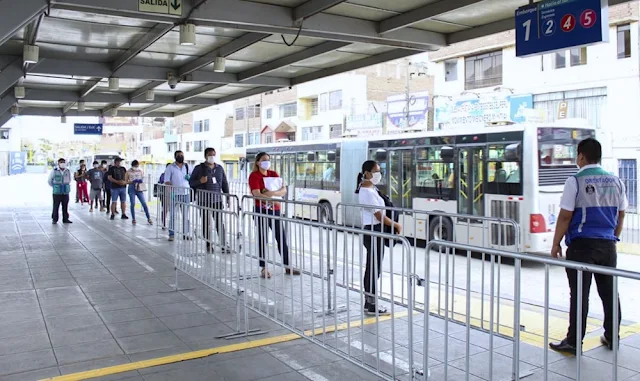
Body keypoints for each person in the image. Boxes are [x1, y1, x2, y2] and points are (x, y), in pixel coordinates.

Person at [550, 138, 627, 355]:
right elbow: (621, 215)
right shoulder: (616, 181)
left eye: (577, 155)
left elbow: (565, 216)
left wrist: (556, 243)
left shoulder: (575, 181)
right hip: (608, 245)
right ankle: (612, 337)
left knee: (580, 295)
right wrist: (613, 238)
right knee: (609, 293)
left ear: (582, 156)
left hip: (582, 246)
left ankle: (574, 342)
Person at [356, 160, 402, 315]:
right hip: (373, 231)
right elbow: (378, 215)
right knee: (373, 269)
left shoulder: (371, 189)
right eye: (376, 171)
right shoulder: (366, 192)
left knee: (374, 268)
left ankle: (370, 302)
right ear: (367, 173)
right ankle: (371, 304)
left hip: (375, 231)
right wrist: (395, 225)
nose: (378, 173)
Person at [248, 152, 300, 279]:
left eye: (268, 160)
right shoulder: (254, 176)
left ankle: (288, 265)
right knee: (262, 238)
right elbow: (256, 194)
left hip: (275, 210)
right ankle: (263, 267)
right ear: (257, 162)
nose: (267, 162)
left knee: (281, 237)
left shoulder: (273, 174)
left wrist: (270, 193)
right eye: (264, 160)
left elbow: (283, 190)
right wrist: (272, 198)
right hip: (261, 210)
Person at [190, 148, 230, 253]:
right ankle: (208, 244)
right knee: (206, 223)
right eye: (209, 155)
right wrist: (200, 181)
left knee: (219, 223)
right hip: (204, 200)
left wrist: (228, 196)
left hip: (217, 200)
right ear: (205, 156)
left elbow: (224, 183)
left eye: (213, 154)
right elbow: (191, 182)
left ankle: (223, 244)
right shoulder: (199, 168)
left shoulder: (220, 168)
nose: (212, 156)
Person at [164, 151, 191, 241]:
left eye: (182, 155)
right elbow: (166, 180)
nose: (180, 157)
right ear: (175, 157)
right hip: (175, 194)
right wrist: (170, 187)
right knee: (173, 214)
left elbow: (193, 176)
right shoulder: (170, 167)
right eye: (179, 155)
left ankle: (186, 233)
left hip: (186, 193)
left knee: (185, 215)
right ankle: (171, 234)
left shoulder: (187, 166)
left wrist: (189, 178)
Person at [125, 160, 152, 225]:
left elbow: (143, 178)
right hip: (132, 187)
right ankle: (133, 219)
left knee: (144, 203)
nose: (136, 167)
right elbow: (125, 181)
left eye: (137, 166)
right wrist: (132, 182)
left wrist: (141, 181)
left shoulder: (140, 171)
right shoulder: (128, 172)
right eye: (135, 166)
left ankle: (148, 218)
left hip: (139, 187)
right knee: (133, 203)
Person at [48, 158, 72, 224]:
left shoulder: (67, 171)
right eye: (61, 162)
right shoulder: (54, 171)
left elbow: (69, 180)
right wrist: (55, 186)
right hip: (57, 192)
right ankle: (54, 219)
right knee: (56, 206)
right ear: (58, 163)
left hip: (65, 192)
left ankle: (65, 219)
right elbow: (50, 180)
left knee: (65, 206)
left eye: (63, 162)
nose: (62, 164)